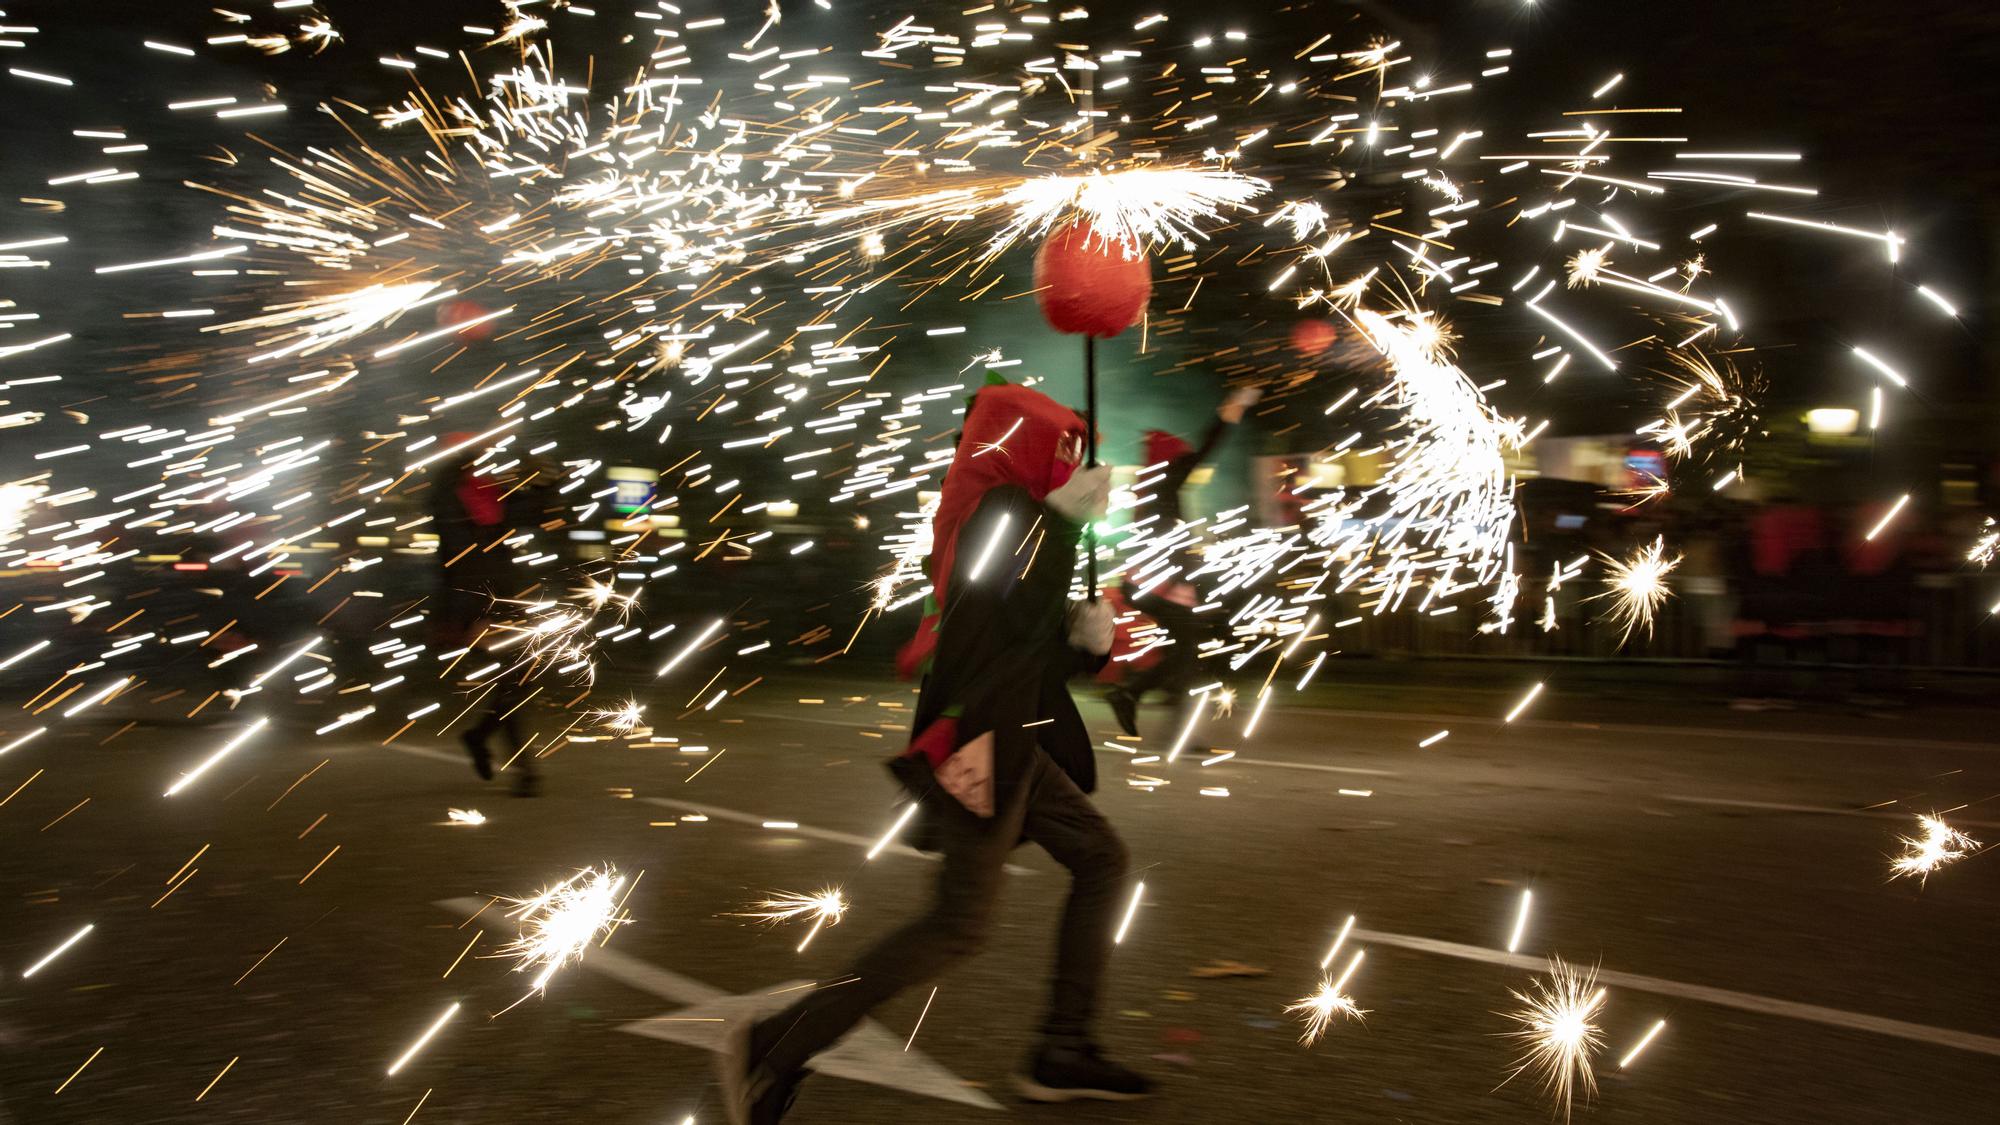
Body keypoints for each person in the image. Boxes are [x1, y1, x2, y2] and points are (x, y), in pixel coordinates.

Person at [717, 381, 1143, 1124]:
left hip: (1014, 737)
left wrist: (1081, 638)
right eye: (1064, 454)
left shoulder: (1022, 520)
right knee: (957, 927)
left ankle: (1064, 1045)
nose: (1075, 466)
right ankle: (774, 1044)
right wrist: (1060, 538)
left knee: (1102, 860)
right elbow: (989, 626)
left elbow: (1021, 648)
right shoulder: (1005, 517)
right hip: (984, 744)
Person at [1105, 387, 1257, 737]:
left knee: (1184, 652)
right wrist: (1229, 411)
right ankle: (1134, 695)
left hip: (1155, 583)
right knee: (1186, 650)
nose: (1186, 461)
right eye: (1180, 457)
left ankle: (1155, 710)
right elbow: (1205, 448)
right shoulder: (1166, 483)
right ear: (1171, 461)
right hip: (1158, 584)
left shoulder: (1152, 488)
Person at [429, 438, 539, 796]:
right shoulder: (451, 497)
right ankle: (525, 770)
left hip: (506, 595)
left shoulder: (490, 487)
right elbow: (458, 559)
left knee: (519, 680)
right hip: (475, 600)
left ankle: (479, 737)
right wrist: (473, 615)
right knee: (511, 681)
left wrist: (539, 481)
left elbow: (528, 514)